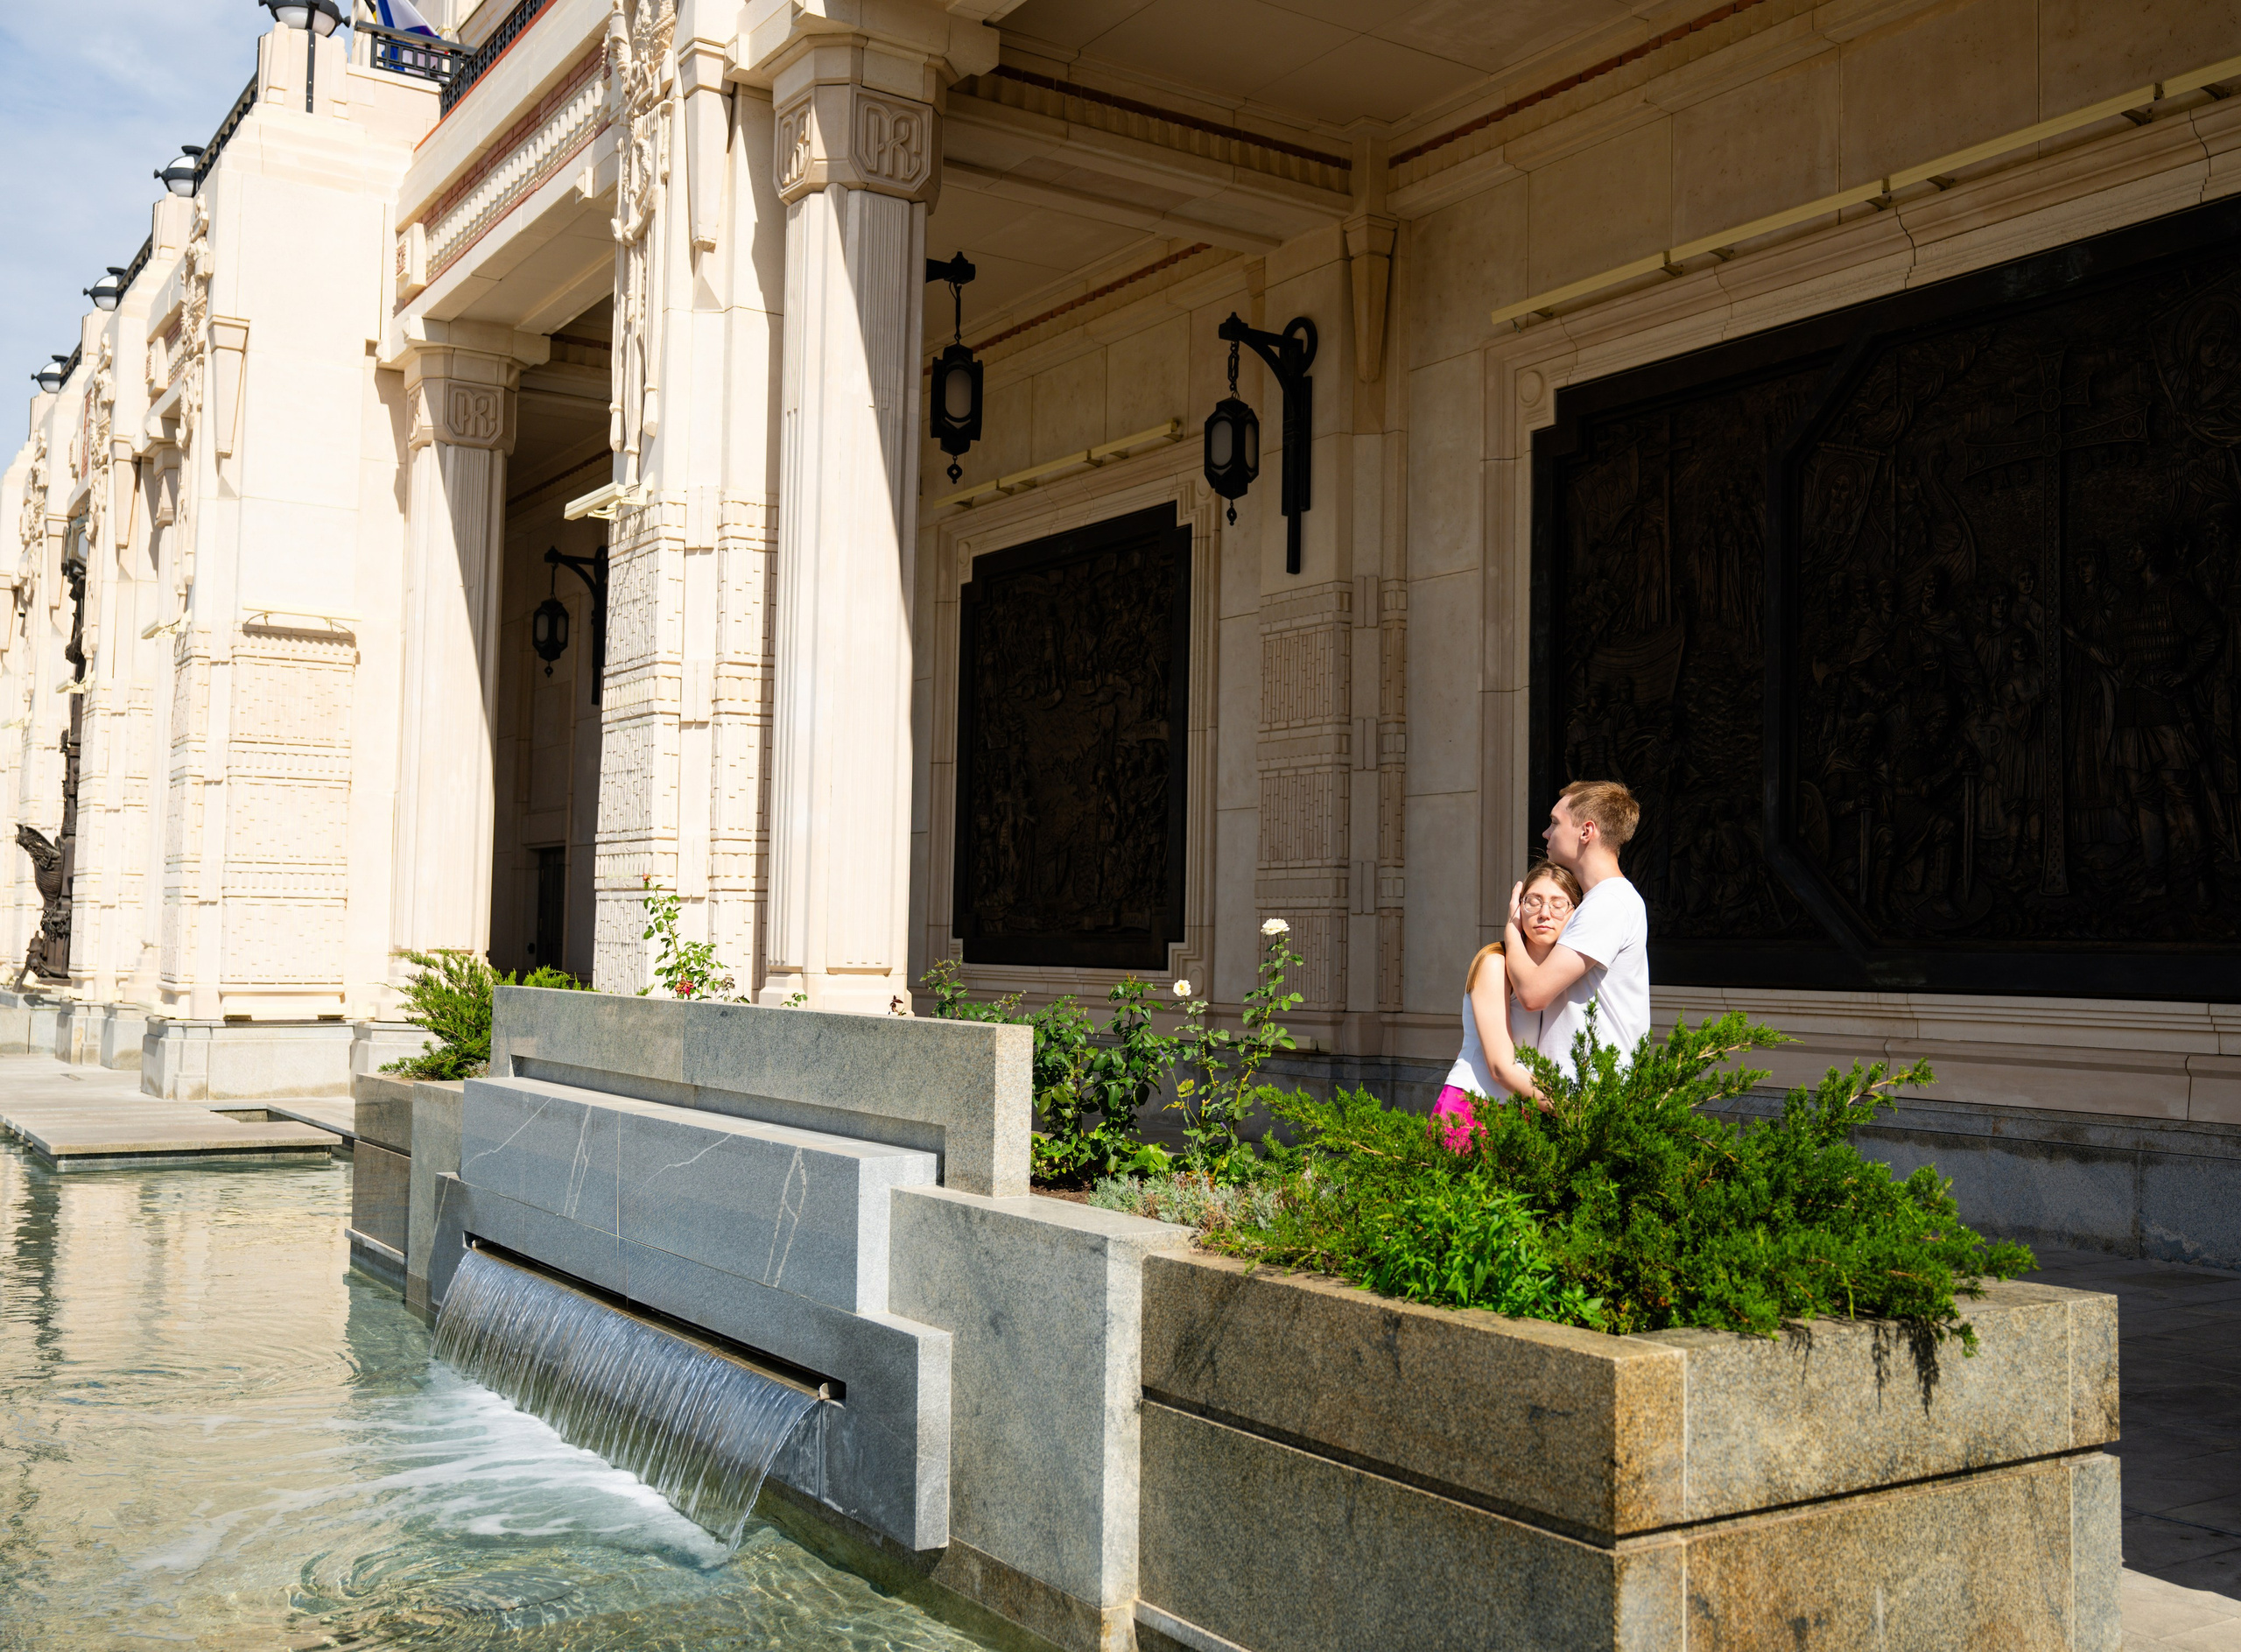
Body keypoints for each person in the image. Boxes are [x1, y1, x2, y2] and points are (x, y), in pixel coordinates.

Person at [1431, 861, 1584, 1149]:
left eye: (1558, 903)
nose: (1544, 913)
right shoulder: (1495, 963)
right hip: (1472, 1108)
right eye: (1533, 901)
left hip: (1524, 1114)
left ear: (1575, 912)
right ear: (1517, 907)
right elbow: (1501, 1067)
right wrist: (1571, 1110)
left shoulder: (1562, 975)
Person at [1507, 779, 1650, 1076]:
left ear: (1586, 831)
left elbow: (1533, 994)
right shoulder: (1600, 901)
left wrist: (1511, 930)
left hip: (1592, 1093)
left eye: (1555, 823)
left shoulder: (1609, 902)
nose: (1546, 833)